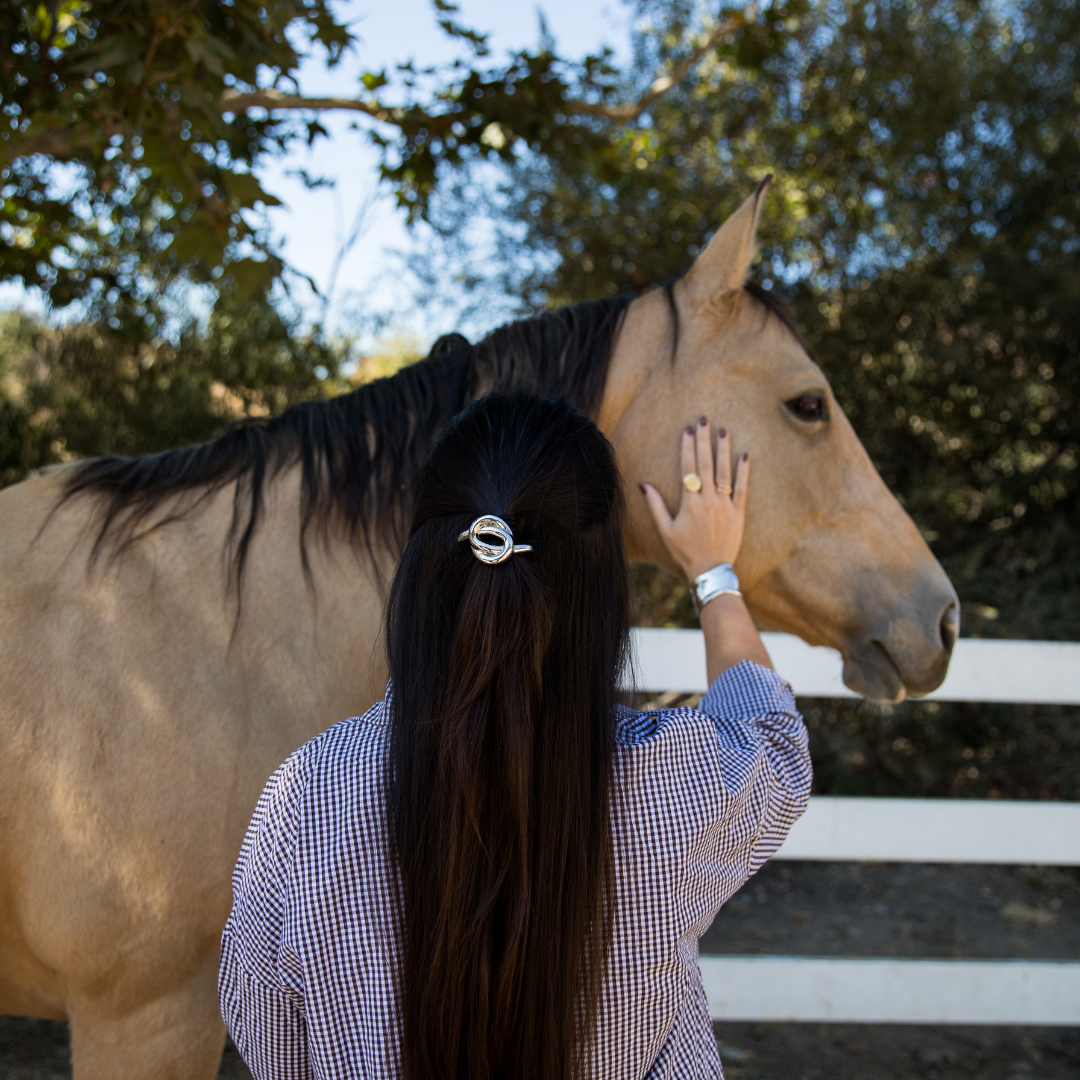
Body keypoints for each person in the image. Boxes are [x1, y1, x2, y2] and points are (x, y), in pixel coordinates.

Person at [218, 392, 811, 1080]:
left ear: (420, 574)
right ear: (599, 597)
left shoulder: (307, 797)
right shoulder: (678, 781)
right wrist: (714, 575)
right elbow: (772, 736)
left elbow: (270, 1039)